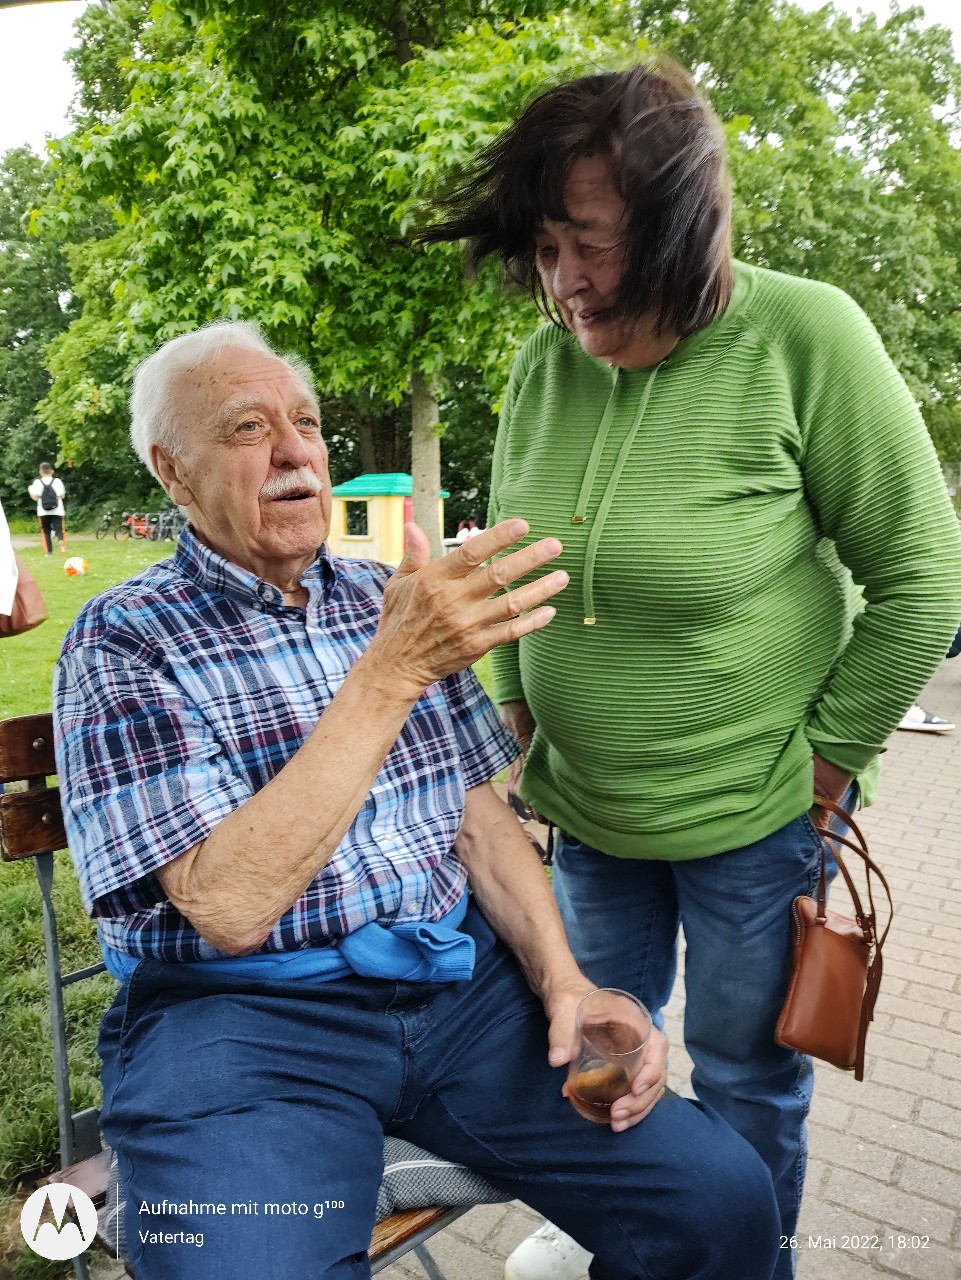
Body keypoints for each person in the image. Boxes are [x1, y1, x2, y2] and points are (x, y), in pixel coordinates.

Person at [53, 321, 780, 1280]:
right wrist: (392, 670)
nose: (294, 452)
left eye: (307, 424)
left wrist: (564, 983)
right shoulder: (123, 638)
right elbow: (227, 906)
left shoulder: (381, 597)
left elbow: (479, 821)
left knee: (722, 1203)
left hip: (459, 996)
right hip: (241, 1024)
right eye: (247, 428)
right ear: (173, 471)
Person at [415, 59, 961, 1280]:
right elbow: (512, 564)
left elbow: (925, 578)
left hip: (755, 822)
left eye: (592, 242)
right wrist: (517, 717)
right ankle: (638, 1246)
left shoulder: (805, 335)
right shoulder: (542, 365)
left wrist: (824, 768)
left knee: (747, 1079)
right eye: (543, 248)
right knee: (600, 1054)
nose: (563, 281)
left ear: (681, 225)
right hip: (588, 815)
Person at [28, 462, 67, 556]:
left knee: (46, 531)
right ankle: (61, 544)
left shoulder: (37, 482)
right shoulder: (57, 481)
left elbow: (35, 497)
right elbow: (62, 496)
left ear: (40, 472)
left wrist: (30, 490)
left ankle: (49, 552)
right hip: (58, 510)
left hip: (43, 511)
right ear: (52, 471)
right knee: (59, 529)